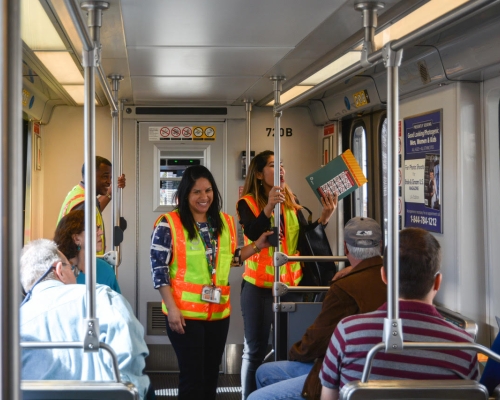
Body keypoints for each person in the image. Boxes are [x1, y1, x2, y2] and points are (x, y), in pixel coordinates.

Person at [149, 164, 273, 400]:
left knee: (210, 376)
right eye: (196, 192)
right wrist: (172, 309)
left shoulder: (224, 222)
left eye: (208, 190)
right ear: (185, 194)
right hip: (184, 316)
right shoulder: (169, 223)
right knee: (192, 377)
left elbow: (229, 259)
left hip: (218, 314)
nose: (203, 197)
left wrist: (258, 245)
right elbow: (159, 269)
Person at [319, 227, 479, 400]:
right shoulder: (464, 346)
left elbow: (328, 396)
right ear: (438, 282)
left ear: (384, 276)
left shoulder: (348, 332)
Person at [247, 216, 387, 400]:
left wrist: (294, 353)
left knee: (259, 390)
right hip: (383, 369)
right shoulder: (396, 281)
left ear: (345, 248)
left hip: (350, 374)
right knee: (266, 371)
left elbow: (316, 341)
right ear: (381, 244)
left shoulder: (343, 288)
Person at [237, 150, 338, 399]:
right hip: (259, 287)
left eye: (281, 164)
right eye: (273, 165)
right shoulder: (247, 202)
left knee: (288, 346)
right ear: (259, 174)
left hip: (291, 287)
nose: (280, 169)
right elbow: (253, 232)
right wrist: (270, 205)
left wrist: (324, 219)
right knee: (255, 350)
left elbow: (303, 238)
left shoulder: (291, 199)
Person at [20, 239, 151, 400]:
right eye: (73, 270)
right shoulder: (102, 297)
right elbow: (131, 357)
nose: (76, 275)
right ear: (60, 270)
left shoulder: (14, 323)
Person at [57, 155, 126, 255]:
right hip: (84, 266)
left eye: (110, 178)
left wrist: (111, 191)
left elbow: (94, 210)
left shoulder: (80, 194)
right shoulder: (83, 202)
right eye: (105, 176)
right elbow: (79, 242)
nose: (109, 182)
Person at [54, 209, 121, 293]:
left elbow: (117, 303)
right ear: (76, 238)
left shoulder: (105, 269)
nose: (101, 232)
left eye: (99, 228)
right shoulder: (59, 273)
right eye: (95, 229)